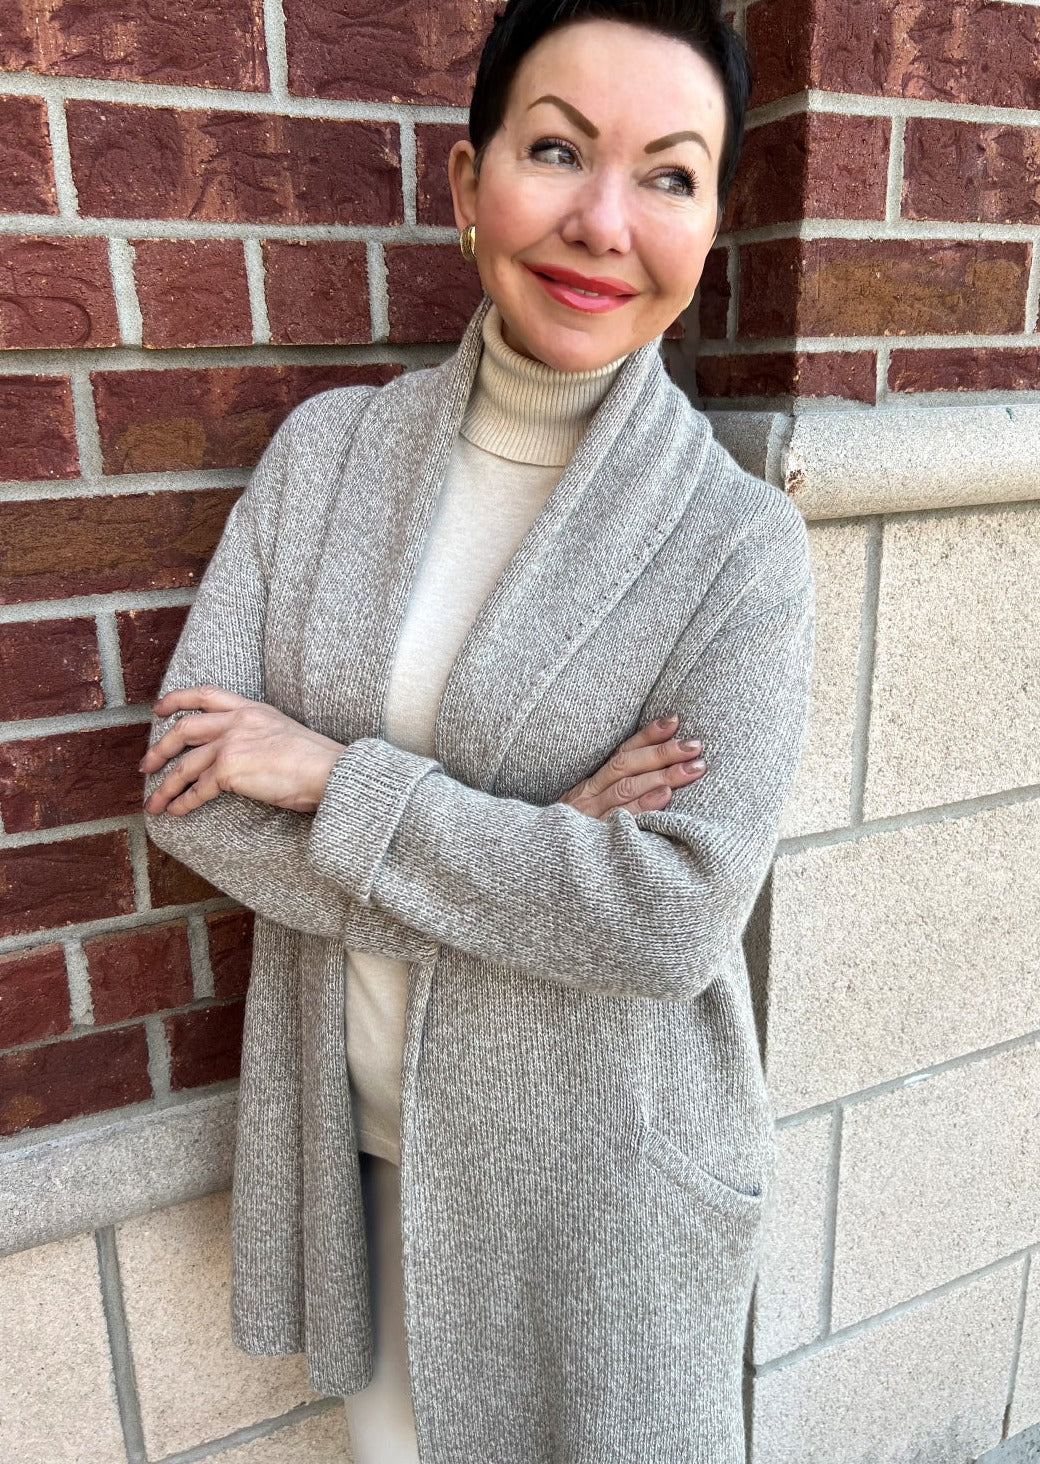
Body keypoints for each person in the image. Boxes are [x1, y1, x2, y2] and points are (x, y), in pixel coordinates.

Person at [140, 0, 814, 1459]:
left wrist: (336, 781)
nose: (603, 222)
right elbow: (194, 796)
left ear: (710, 228)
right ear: (467, 182)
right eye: (557, 150)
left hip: (603, 1198)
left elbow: (668, 921)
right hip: (371, 1166)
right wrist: (548, 842)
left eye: (670, 174)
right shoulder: (326, 459)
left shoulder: (738, 547)